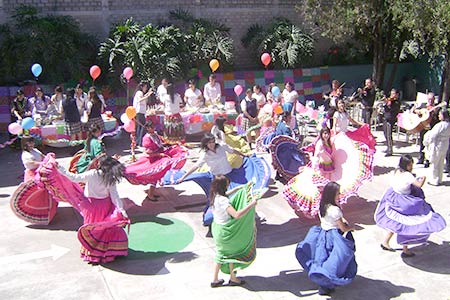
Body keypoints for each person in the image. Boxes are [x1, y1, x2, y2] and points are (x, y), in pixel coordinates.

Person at [57, 156, 129, 263]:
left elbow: (73, 178)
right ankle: (107, 251)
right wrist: (122, 210)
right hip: (105, 205)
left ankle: (92, 253)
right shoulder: (110, 178)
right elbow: (115, 196)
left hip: (90, 206)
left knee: (92, 229)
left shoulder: (92, 174)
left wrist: (60, 168)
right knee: (105, 229)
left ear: (100, 164)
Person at [375, 154, 446, 257]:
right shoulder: (408, 176)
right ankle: (405, 249)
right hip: (405, 201)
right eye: (410, 165)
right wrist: (423, 178)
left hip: (393, 198)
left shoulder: (396, 171)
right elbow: (418, 185)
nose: (411, 166)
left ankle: (385, 242)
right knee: (407, 224)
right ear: (406, 165)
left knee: (396, 222)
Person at [295, 181, 356, 296]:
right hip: (334, 236)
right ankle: (326, 284)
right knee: (335, 261)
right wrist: (351, 228)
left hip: (323, 234)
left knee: (322, 258)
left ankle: (323, 282)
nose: (339, 195)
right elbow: (342, 228)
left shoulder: (322, 205)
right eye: (338, 193)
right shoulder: (335, 210)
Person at [210, 175, 257, 288]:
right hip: (226, 232)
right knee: (228, 254)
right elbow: (236, 215)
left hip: (217, 229)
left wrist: (239, 189)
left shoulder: (215, 196)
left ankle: (223, 279)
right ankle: (225, 278)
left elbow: (226, 195)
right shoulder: (224, 201)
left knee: (225, 254)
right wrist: (251, 204)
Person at [124, 120, 187, 201]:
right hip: (153, 160)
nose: (153, 128)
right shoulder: (147, 138)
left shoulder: (155, 134)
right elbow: (148, 153)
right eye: (151, 127)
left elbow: (163, 143)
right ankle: (150, 194)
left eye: (153, 127)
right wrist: (159, 154)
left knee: (158, 175)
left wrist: (173, 144)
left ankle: (151, 193)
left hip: (159, 157)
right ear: (147, 128)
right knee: (154, 176)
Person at [178, 133, 247, 182]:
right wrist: (183, 178)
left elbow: (232, 151)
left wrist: (243, 155)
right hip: (217, 177)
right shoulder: (205, 154)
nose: (212, 144)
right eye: (209, 143)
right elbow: (196, 166)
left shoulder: (222, 146)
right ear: (205, 143)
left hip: (229, 173)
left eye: (213, 142)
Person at [424, 109, 450, 186]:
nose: (438, 115)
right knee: (441, 163)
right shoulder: (448, 124)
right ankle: (439, 179)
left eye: (440, 114)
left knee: (434, 163)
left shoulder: (440, 125)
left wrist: (427, 142)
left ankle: (434, 180)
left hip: (437, 145)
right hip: (445, 145)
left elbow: (432, 135)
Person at [415, 92, 440, 167]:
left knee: (429, 145)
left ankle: (428, 160)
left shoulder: (436, 107)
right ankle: (421, 158)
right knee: (422, 143)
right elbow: (415, 110)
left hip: (431, 129)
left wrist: (434, 112)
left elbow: (438, 118)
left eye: (431, 100)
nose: (430, 101)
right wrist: (419, 111)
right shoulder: (423, 105)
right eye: (429, 99)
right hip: (423, 127)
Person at [133, 81, 153, 146]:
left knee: (140, 126)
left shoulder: (141, 93)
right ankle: (140, 141)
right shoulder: (139, 92)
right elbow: (140, 100)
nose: (145, 88)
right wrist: (148, 95)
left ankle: (138, 141)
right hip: (139, 111)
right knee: (142, 126)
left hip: (141, 112)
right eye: (145, 87)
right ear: (142, 87)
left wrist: (148, 94)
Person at [382, 88, 401, 156]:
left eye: (393, 94)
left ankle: (390, 150)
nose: (392, 96)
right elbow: (386, 109)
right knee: (385, 133)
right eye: (391, 94)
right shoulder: (390, 101)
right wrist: (385, 103)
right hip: (385, 118)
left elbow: (392, 109)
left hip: (390, 120)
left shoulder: (397, 102)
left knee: (389, 134)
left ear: (397, 95)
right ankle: (388, 147)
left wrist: (388, 104)